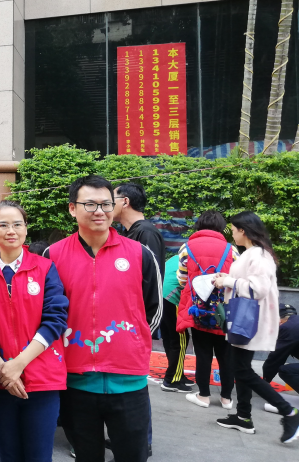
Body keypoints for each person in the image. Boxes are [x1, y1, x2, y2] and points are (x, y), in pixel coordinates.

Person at [45, 175, 161, 462]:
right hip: (75, 381)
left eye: (106, 204)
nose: (100, 211)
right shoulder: (53, 256)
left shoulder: (140, 254)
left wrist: (131, 341)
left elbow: (153, 309)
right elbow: (46, 314)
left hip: (129, 380)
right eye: (90, 204)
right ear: (72, 209)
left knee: (133, 456)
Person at [0, 200, 68, 462]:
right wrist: (3, 370)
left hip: (42, 380)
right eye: (3, 225)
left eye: (17, 224)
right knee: (6, 455)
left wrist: (18, 365)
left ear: (26, 228)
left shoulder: (44, 268)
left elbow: (56, 318)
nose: (11, 231)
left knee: (38, 456)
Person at [213, 211, 299, 443]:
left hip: (249, 321)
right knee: (240, 367)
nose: (231, 233)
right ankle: (243, 417)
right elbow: (248, 283)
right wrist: (225, 278)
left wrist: (227, 281)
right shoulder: (253, 254)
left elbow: (257, 289)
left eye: (233, 229)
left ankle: (288, 412)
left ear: (243, 230)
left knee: (241, 370)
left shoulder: (258, 255)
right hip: (246, 320)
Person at [112, 182, 165, 455]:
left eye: (111, 198)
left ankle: (143, 443)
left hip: (134, 328)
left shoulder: (145, 233)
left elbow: (150, 287)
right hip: (122, 327)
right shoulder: (131, 232)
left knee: (136, 389)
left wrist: (139, 330)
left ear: (125, 202)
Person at [175, 211, 235, 407]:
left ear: (199, 225)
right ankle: (226, 398)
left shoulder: (186, 248)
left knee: (202, 353)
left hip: (198, 309)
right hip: (224, 309)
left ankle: (203, 396)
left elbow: (182, 279)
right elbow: (236, 279)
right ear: (221, 227)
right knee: (226, 355)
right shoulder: (231, 249)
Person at [161, 251, 191, 392]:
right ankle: (172, 379)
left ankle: (177, 374)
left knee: (169, 337)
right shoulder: (194, 257)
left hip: (160, 295)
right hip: (172, 297)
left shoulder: (180, 255)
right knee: (180, 339)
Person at [262, 304, 299, 408]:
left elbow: (275, 359)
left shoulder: (287, 327)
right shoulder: (295, 323)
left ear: (279, 321)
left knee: (286, 371)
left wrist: (264, 382)